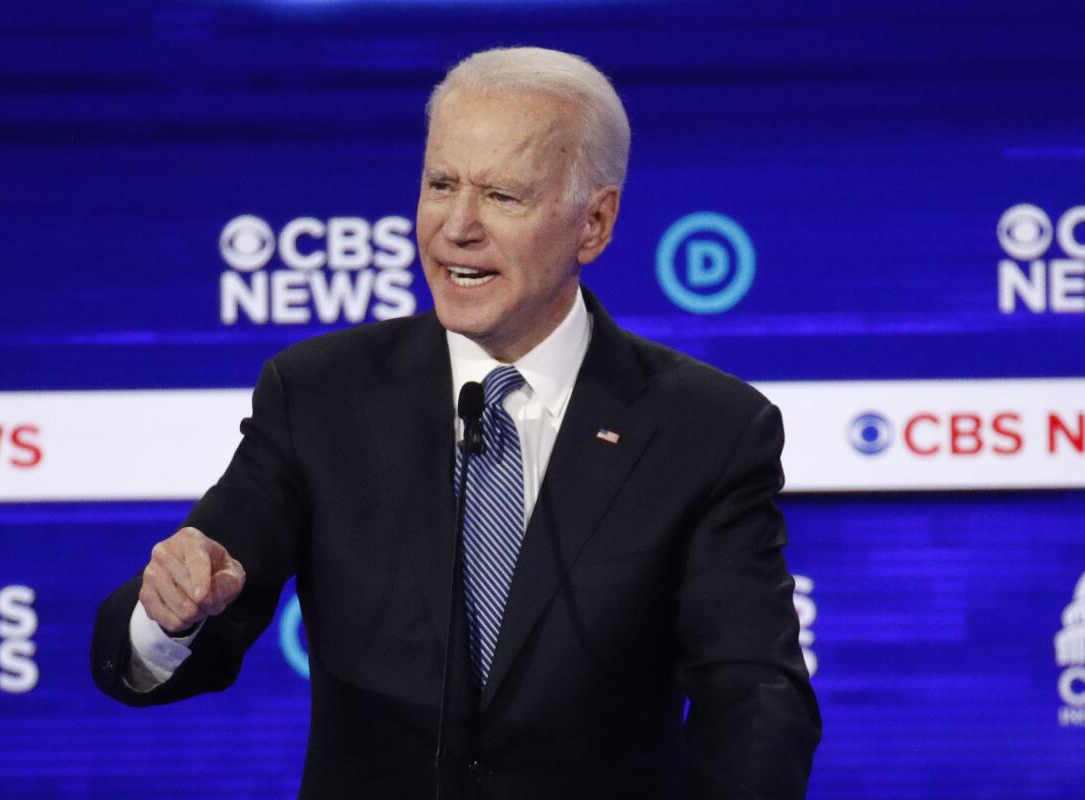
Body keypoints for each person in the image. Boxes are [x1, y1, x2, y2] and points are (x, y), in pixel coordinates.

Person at [92, 46, 820, 799]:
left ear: (594, 223)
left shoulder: (706, 429)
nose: (456, 227)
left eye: (503, 196)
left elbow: (753, 695)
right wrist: (168, 614)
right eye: (441, 185)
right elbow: (172, 635)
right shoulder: (319, 397)